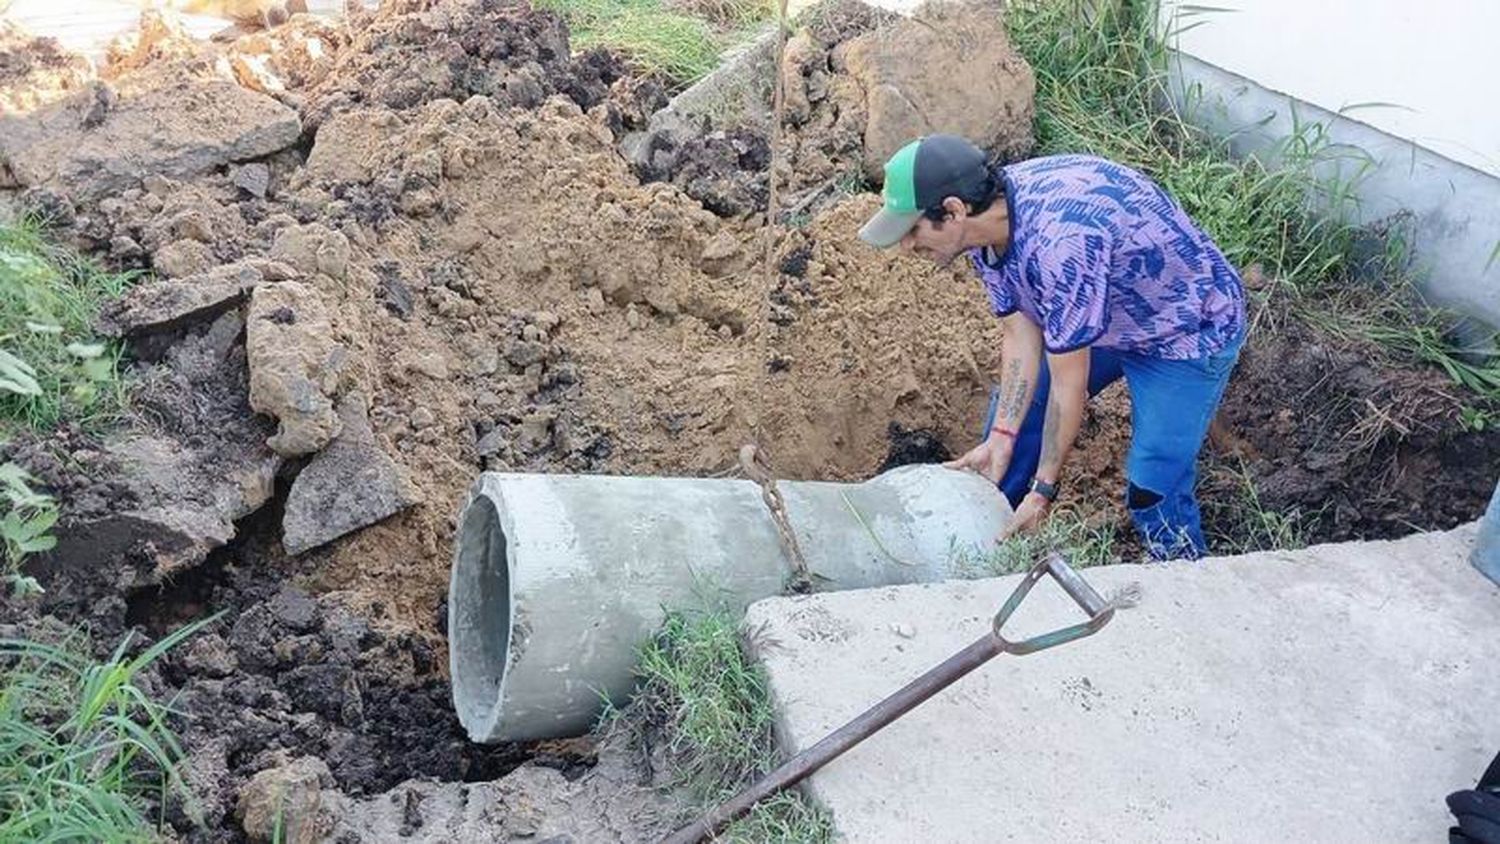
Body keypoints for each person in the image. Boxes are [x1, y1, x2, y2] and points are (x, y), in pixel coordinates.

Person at [859, 134, 1247, 560]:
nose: (906, 246)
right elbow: (1020, 336)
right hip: (1109, 310)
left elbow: (1069, 385)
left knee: (1153, 480)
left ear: (953, 210)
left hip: (1184, 330)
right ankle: (992, 542)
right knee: (1010, 431)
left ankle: (1183, 572)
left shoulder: (1061, 245)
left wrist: (1045, 489)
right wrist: (1003, 436)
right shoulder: (983, 234)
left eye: (913, 230)